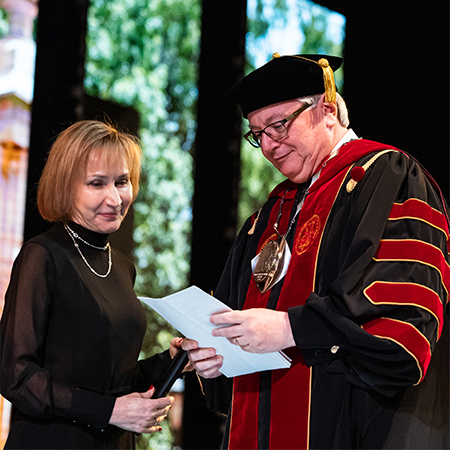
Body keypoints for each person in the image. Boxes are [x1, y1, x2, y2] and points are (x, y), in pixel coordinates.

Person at [182, 53, 450, 449]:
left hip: (351, 427)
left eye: (278, 125)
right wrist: (213, 355)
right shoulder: (268, 216)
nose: (269, 146)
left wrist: (289, 329)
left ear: (326, 110)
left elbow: (402, 326)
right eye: (258, 134)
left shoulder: (387, 178)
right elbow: (234, 319)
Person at [0, 120, 185, 449]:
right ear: (65, 187)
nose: (115, 198)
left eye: (122, 182)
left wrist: (172, 361)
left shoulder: (122, 267)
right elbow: (15, 374)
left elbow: (117, 381)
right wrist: (110, 410)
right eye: (97, 184)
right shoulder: (42, 255)